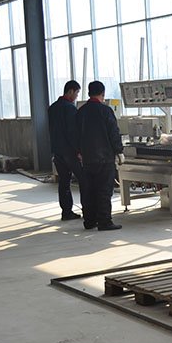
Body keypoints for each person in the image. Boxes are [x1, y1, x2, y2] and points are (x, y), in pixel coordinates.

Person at [76, 81, 124, 231]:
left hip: (87, 159)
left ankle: (89, 221)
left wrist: (79, 152)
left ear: (89, 93)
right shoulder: (106, 111)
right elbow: (113, 133)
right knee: (104, 190)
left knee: (88, 190)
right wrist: (119, 151)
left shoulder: (81, 112)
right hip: (104, 158)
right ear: (102, 94)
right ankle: (104, 221)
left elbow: (75, 134)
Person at [48, 80, 84, 221]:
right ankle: (88, 210)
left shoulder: (52, 108)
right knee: (83, 179)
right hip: (70, 151)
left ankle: (66, 212)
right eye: (76, 93)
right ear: (70, 91)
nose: (76, 96)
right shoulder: (70, 109)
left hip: (57, 151)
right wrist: (79, 150)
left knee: (64, 182)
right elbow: (73, 132)